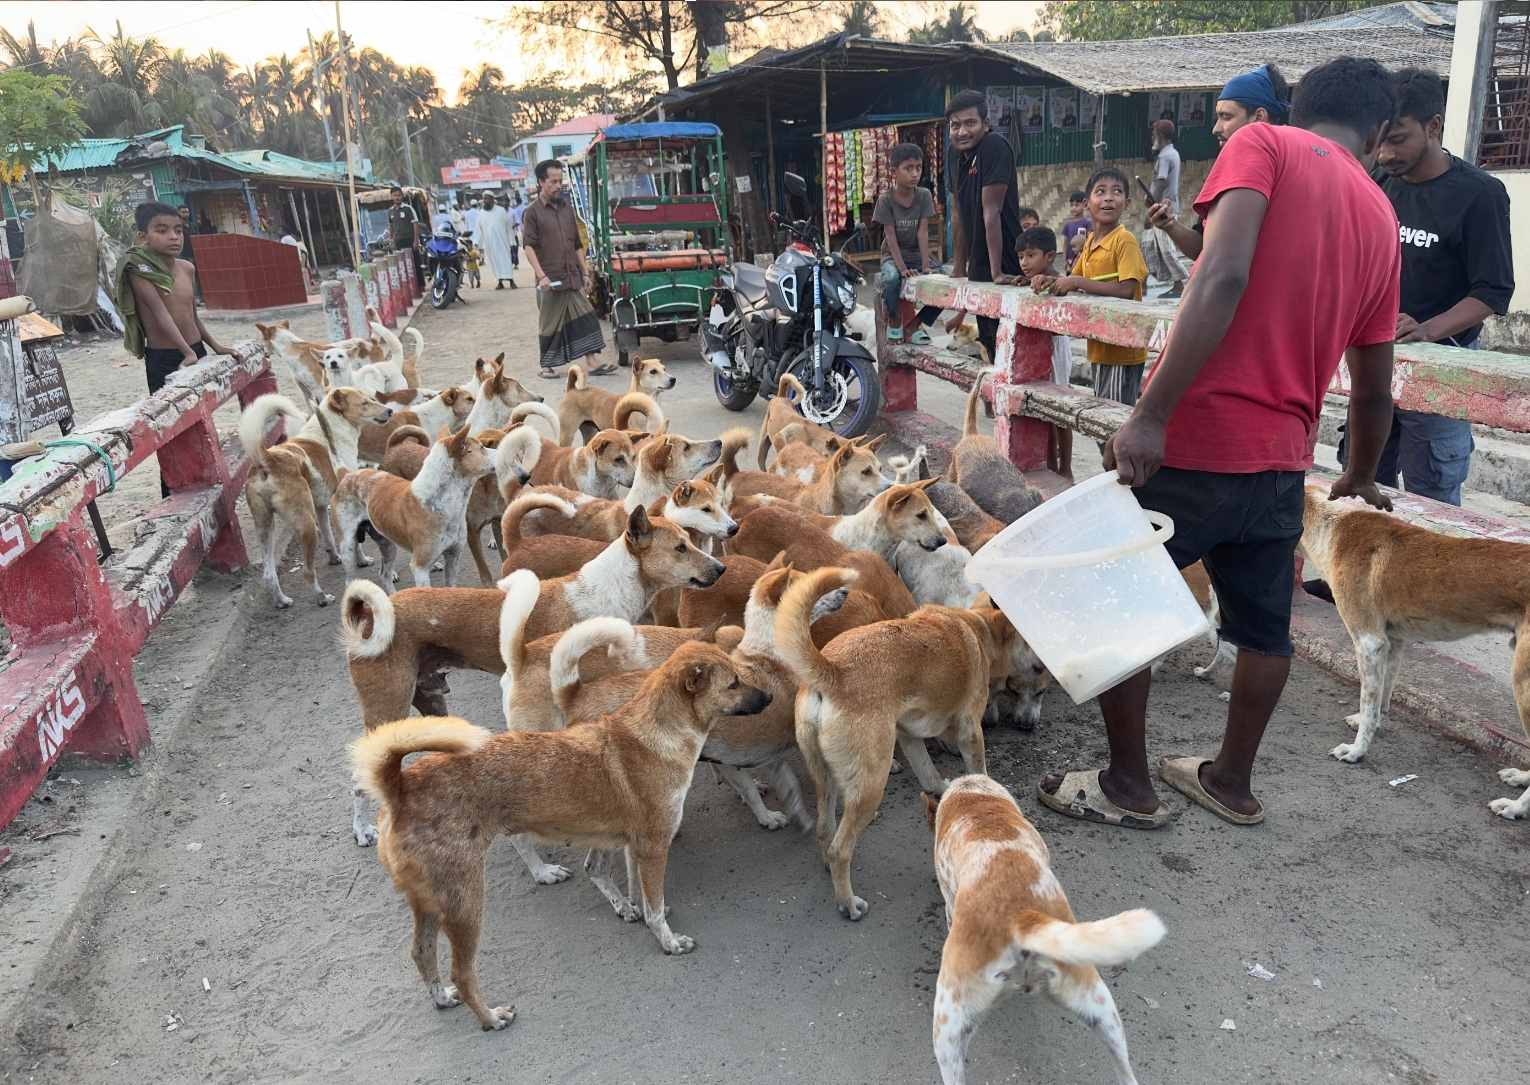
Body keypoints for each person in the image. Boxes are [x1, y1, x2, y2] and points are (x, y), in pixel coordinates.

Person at [1037, 57, 1402, 830]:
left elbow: (1222, 274)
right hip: (1283, 459)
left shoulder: (1263, 146)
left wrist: (1150, 414)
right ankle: (1231, 782)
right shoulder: (1380, 215)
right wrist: (1361, 472)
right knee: (1265, 628)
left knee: (1116, 596)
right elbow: (1375, 385)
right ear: (1377, 134)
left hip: (1199, 436)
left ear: (1295, 108)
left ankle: (1128, 785)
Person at [1340, 67, 1514, 506]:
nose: (1384, 154)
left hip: (1442, 364)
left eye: (1398, 140)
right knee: (1361, 486)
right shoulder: (1377, 183)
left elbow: (1492, 291)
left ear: (1433, 126)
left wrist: (1427, 329)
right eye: (1379, 140)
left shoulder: (1480, 194)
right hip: (1375, 360)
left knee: (1432, 494)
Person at [114, 201, 231, 495]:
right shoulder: (138, 270)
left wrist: (214, 345)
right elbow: (159, 314)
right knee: (170, 428)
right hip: (166, 359)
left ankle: (209, 489)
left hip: (196, 352)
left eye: (178, 230)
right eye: (162, 230)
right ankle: (173, 495)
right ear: (143, 236)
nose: (173, 237)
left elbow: (191, 315)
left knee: (200, 424)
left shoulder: (187, 268)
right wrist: (185, 352)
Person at [1149, 64, 1291, 262]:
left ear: (1259, 117)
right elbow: (1203, 250)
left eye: (1226, 117)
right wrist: (1170, 225)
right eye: (1218, 117)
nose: (1216, 128)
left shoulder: (1287, 175)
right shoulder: (1228, 172)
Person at [1032, 168, 1149, 407]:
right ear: (1087, 203)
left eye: (1117, 192)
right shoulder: (1090, 243)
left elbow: (1127, 289)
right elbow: (1071, 282)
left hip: (1121, 350)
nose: (1108, 198)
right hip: (1100, 346)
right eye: (1101, 192)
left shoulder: (1124, 240)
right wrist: (1046, 280)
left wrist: (1075, 282)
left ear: (1126, 203)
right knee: (1103, 414)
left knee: (1113, 418)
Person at [944, 89, 1023, 360]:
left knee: (1011, 343)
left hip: (1008, 258)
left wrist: (997, 271)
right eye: (955, 125)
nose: (962, 131)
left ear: (986, 124)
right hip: (979, 264)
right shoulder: (954, 154)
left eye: (970, 123)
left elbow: (992, 211)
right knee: (989, 341)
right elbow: (957, 212)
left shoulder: (994, 147)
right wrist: (959, 266)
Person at [523, 158, 609, 381]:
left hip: (572, 276)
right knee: (550, 324)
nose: (557, 185)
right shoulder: (532, 212)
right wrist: (541, 276)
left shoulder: (567, 209)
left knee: (586, 317)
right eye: (552, 181)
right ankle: (547, 365)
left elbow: (577, 244)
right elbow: (528, 247)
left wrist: (585, 271)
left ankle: (592, 361)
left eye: (560, 181)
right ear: (541, 182)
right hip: (550, 280)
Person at [1018, 224, 1076, 479]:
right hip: (1039, 349)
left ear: (1050, 256)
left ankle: (1066, 468)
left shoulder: (1057, 281)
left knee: (1059, 409)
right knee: (1045, 410)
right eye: (1021, 256)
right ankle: (1051, 463)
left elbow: (1062, 292)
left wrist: (1045, 284)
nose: (1024, 262)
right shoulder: (1035, 280)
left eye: (1031, 255)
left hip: (1056, 349)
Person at [873, 143, 939, 344]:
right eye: (908, 168)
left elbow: (923, 232)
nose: (915, 173)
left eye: (918, 168)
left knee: (946, 281)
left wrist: (926, 266)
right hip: (893, 257)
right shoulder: (885, 200)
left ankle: (915, 324)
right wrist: (902, 269)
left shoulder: (924, 195)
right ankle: (894, 320)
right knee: (892, 279)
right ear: (894, 172)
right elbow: (890, 236)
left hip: (916, 256)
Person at [1140, 119, 1188, 297]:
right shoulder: (1173, 153)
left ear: (1160, 135)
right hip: (1166, 205)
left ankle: (1181, 283)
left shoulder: (1165, 157)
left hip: (1161, 208)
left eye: (1154, 134)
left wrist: (1150, 203)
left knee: (1165, 249)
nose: (1152, 137)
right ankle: (1144, 282)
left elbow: (1160, 181)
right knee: (1149, 245)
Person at [478, 192, 516, 289]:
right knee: (495, 262)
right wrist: (478, 244)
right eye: (484, 199)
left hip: (502, 241)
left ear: (492, 199)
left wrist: (512, 240)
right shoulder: (481, 213)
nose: (485, 201)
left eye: (487, 198)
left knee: (506, 260)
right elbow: (479, 229)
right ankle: (500, 282)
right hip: (490, 243)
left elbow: (508, 226)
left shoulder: (501, 210)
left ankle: (511, 280)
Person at [387, 185, 422, 290]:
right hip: (398, 242)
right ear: (391, 197)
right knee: (402, 266)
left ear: (402, 196)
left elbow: (415, 224)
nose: (397, 197)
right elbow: (391, 226)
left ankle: (420, 286)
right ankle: (408, 288)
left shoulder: (408, 208)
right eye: (395, 195)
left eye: (399, 195)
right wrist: (391, 240)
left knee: (415, 264)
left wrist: (416, 240)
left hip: (410, 240)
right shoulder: (390, 211)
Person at [1060, 189, 1090, 258]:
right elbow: (1065, 243)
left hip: (1083, 258)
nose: (1073, 208)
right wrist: (1065, 257)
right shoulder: (1068, 225)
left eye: (1076, 205)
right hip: (1070, 259)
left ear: (1085, 205)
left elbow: (1090, 240)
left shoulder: (1087, 223)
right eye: (1071, 205)